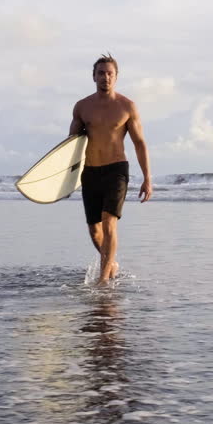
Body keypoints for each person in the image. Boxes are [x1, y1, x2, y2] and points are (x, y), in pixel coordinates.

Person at [69, 53, 152, 284]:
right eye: (101, 73)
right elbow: (71, 145)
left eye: (110, 74)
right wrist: (66, 180)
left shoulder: (127, 107)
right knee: (94, 231)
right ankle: (111, 263)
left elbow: (139, 143)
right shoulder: (82, 107)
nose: (105, 77)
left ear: (116, 77)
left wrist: (147, 178)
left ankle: (103, 281)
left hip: (116, 171)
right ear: (93, 76)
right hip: (90, 172)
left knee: (109, 223)